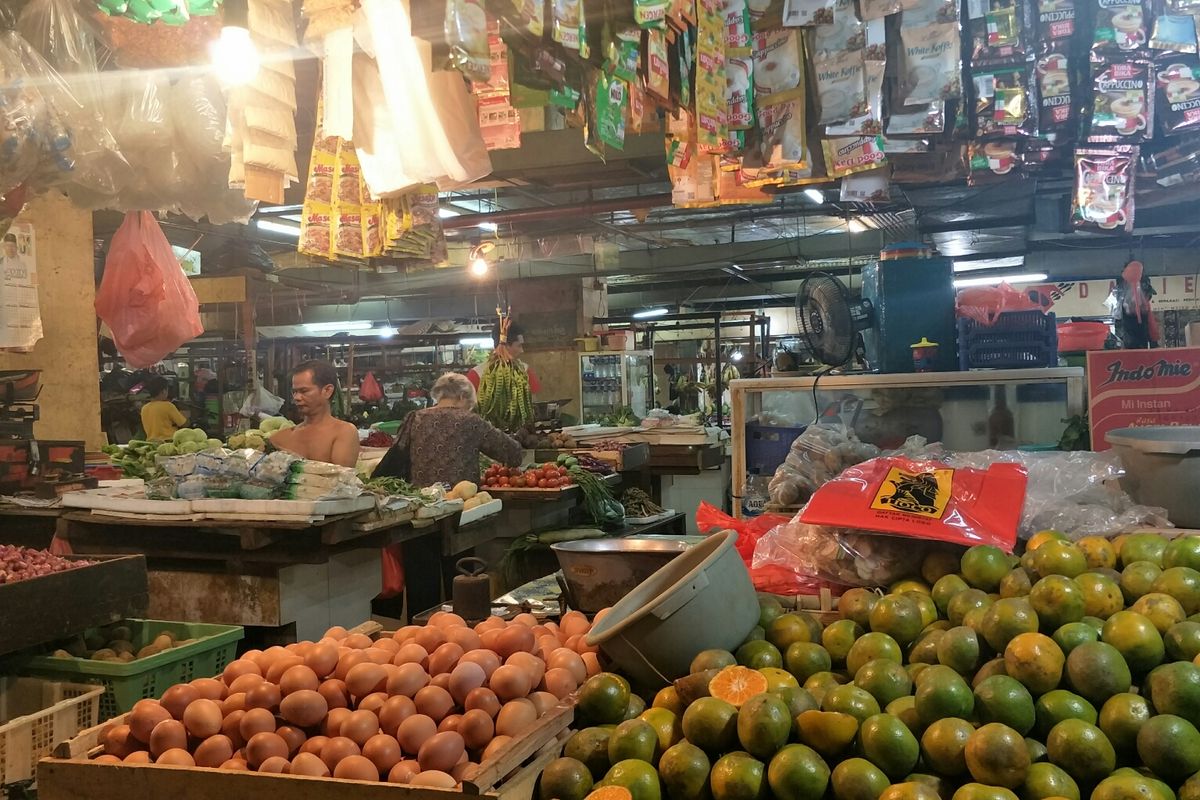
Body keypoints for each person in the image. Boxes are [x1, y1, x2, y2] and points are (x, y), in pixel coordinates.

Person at [374, 372, 521, 486]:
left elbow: (396, 454)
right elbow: (512, 453)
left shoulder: (414, 417)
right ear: (462, 396)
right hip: (461, 500)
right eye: (469, 404)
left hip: (423, 500)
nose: (469, 409)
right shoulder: (470, 420)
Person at [269, 359, 360, 467]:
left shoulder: (344, 432)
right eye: (294, 392)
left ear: (327, 391)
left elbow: (340, 479)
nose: (296, 397)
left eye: (304, 391)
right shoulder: (280, 438)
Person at [467, 321, 541, 395]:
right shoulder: (477, 375)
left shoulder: (525, 370)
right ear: (505, 346)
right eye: (519, 346)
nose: (522, 351)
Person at [140, 376, 187, 441]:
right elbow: (184, 424)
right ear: (163, 391)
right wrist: (184, 415)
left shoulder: (144, 408)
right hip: (169, 442)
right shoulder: (168, 406)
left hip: (152, 443)